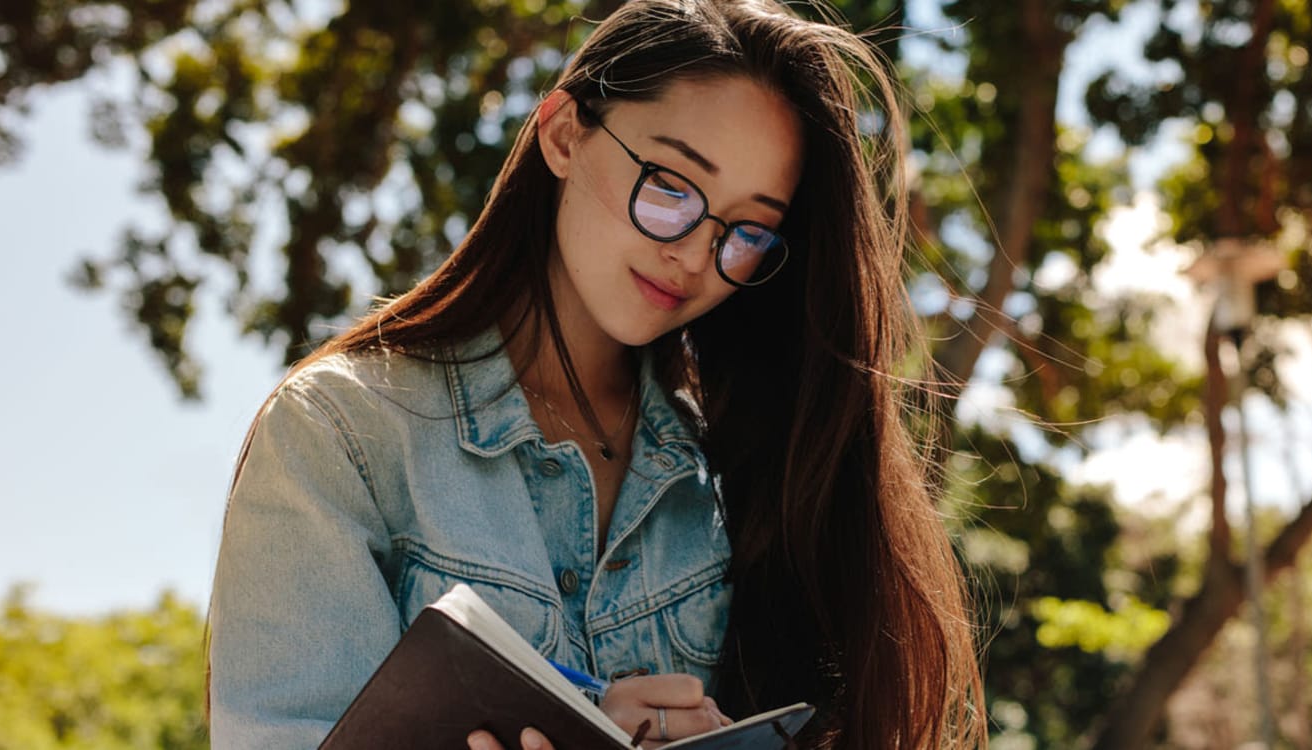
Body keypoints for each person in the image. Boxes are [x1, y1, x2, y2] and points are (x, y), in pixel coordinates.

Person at [205, 0, 985, 746]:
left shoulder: (741, 479)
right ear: (565, 133)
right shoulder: (345, 431)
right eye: (672, 185)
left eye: (747, 231)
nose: (693, 253)